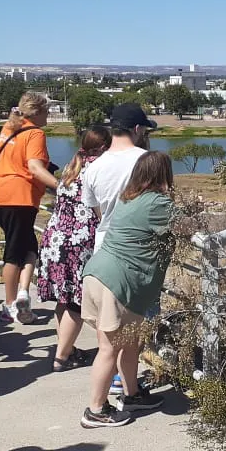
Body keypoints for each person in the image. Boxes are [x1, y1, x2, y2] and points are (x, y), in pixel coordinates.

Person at [80, 151, 178, 428]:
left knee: (130, 342)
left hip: (100, 274)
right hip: (117, 282)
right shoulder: (158, 203)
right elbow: (188, 225)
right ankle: (95, 410)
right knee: (109, 348)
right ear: (163, 174)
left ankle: (131, 394)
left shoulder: (128, 198)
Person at [80, 102, 157, 393]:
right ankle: (121, 390)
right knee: (132, 333)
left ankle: (119, 383)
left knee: (108, 332)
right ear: (137, 129)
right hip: (136, 254)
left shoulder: (93, 167)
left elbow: (97, 212)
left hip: (103, 253)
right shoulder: (146, 161)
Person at [35, 125, 111, 372]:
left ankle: (65, 348)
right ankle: (62, 357)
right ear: (104, 147)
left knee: (64, 299)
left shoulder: (72, 166)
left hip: (55, 240)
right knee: (77, 303)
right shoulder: (98, 169)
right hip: (79, 243)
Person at [0, 92, 59, 324]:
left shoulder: (9, 127)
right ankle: (9, 306)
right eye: (47, 111)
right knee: (14, 252)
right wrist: (62, 187)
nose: (49, 116)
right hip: (19, 197)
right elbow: (35, 168)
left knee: (29, 246)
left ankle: (23, 294)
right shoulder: (36, 133)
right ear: (36, 113)